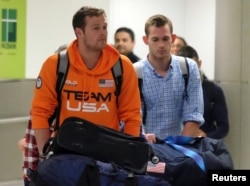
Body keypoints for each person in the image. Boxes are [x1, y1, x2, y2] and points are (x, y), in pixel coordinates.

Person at [25, 6, 141, 185]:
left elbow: (132, 115)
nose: (103, 33)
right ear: (79, 32)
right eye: (96, 28)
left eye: (104, 27)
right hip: (66, 155)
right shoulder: (55, 65)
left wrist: (128, 158)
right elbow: (40, 113)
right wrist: (46, 154)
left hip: (108, 158)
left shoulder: (122, 66)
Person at [135, 14, 204, 143]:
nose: (161, 45)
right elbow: (133, 117)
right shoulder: (135, 72)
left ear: (173, 38)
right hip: (145, 148)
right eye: (155, 39)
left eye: (165, 39)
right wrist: (143, 139)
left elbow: (194, 115)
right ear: (146, 40)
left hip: (181, 148)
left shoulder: (189, 68)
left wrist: (178, 148)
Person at [177, 45, 229, 139]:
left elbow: (224, 127)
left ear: (199, 63)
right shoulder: (171, 88)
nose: (189, 71)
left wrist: (206, 136)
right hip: (176, 142)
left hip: (203, 146)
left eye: (193, 66)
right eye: (185, 67)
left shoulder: (213, 90)